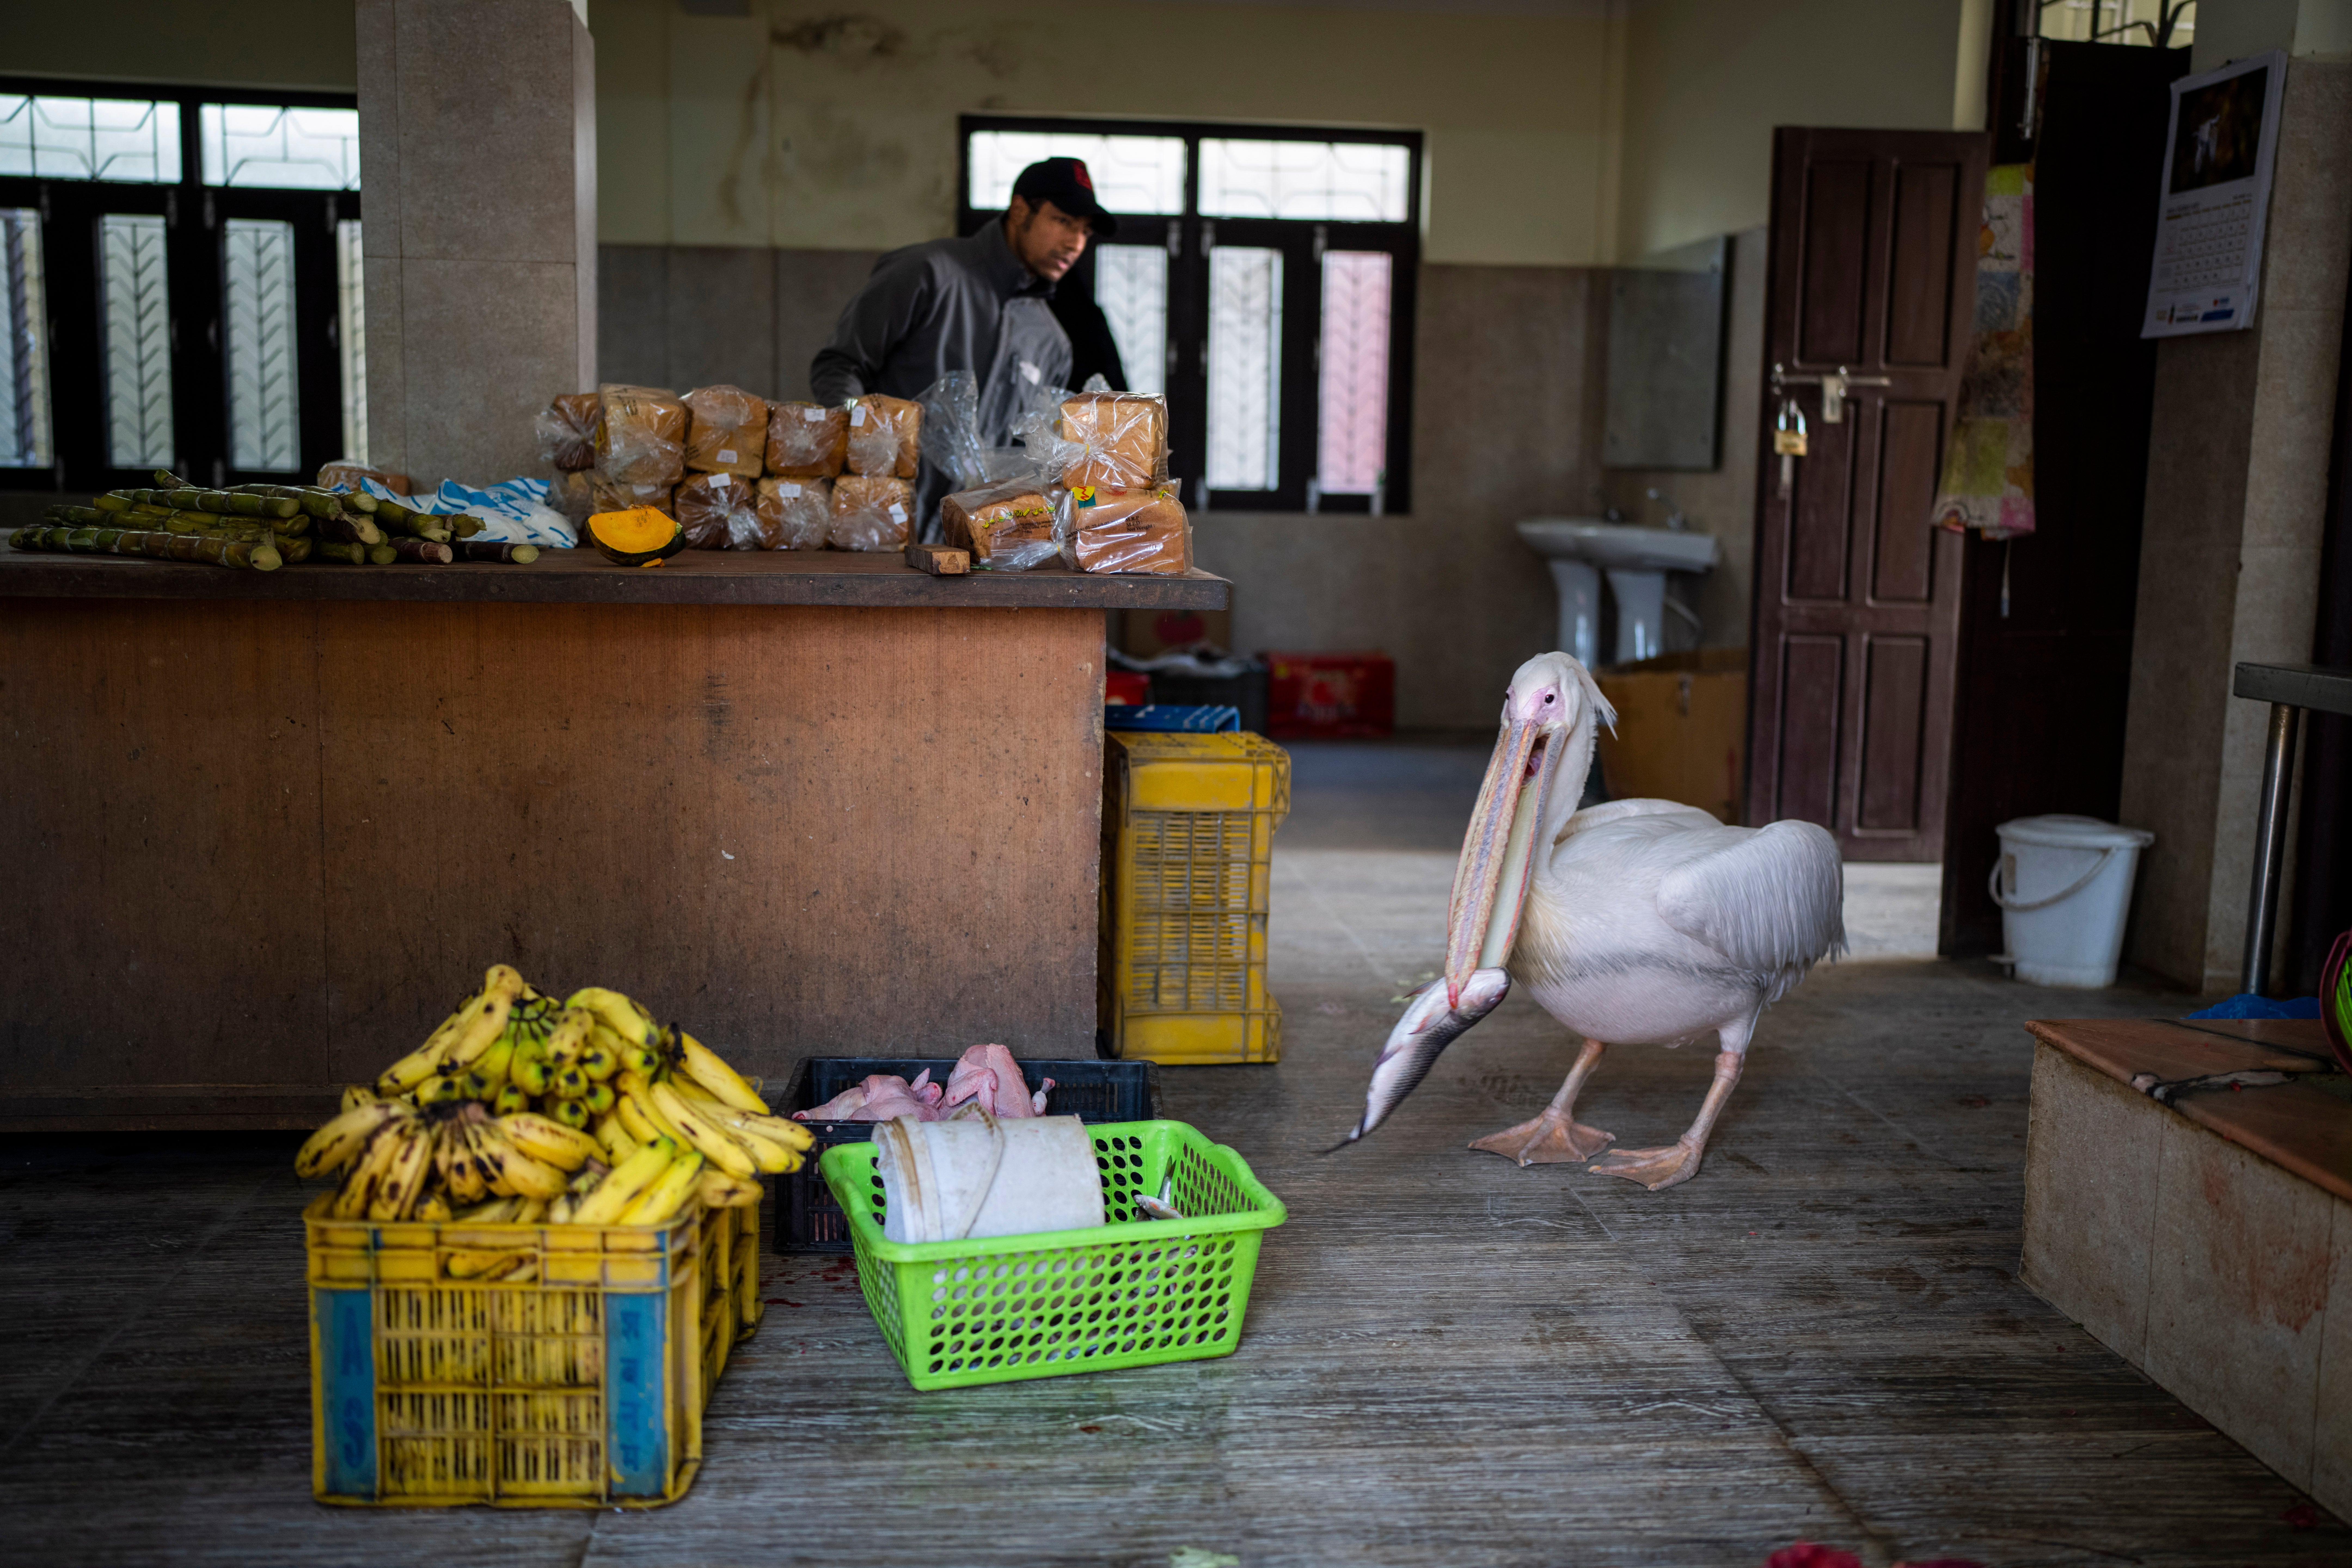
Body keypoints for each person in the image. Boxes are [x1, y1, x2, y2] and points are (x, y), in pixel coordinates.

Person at [810, 156, 1115, 535]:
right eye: (1063, 222)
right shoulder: (928, 273)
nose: (1075, 243)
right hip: (876, 527)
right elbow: (840, 364)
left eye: (1085, 231)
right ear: (1020, 210)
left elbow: (1029, 458)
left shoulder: (1052, 341)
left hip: (970, 551)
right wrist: (861, 442)